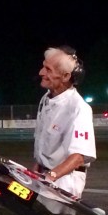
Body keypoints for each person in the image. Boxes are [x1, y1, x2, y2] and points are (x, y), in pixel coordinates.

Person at [32, 46, 96, 199]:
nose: (41, 72)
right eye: (43, 66)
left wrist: (50, 176)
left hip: (64, 181)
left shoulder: (78, 108)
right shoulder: (46, 99)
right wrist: (36, 172)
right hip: (44, 177)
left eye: (48, 69)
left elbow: (79, 156)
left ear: (66, 76)